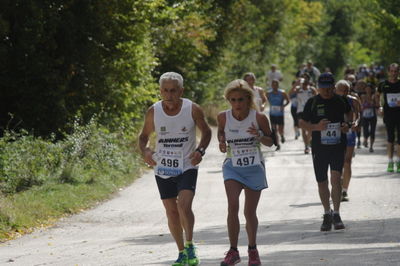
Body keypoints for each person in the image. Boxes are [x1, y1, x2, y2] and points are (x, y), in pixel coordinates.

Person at [138, 72, 212, 266]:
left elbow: (206, 131)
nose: (169, 95)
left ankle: (189, 245)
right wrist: (145, 151)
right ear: (160, 91)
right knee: (171, 212)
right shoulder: (154, 111)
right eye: (165, 90)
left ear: (181, 90)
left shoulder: (192, 109)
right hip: (163, 168)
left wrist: (200, 151)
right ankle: (180, 252)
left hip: (187, 165)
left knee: (184, 206)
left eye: (173, 90)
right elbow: (143, 136)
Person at [217, 79, 274, 266]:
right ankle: (233, 251)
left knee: (249, 212)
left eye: (240, 100)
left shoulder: (258, 118)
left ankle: (252, 250)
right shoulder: (223, 117)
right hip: (232, 166)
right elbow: (221, 133)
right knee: (232, 206)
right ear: (228, 100)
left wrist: (258, 136)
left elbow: (270, 141)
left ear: (248, 99)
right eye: (232, 100)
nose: (237, 104)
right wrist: (222, 141)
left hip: (253, 168)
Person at [299, 73, 352, 231]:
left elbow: (349, 113)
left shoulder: (340, 100)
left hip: (337, 145)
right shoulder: (312, 102)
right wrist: (316, 127)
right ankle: (326, 213)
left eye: (329, 88)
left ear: (333, 86)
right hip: (319, 148)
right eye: (323, 88)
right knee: (322, 182)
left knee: (336, 179)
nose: (327, 91)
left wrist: (347, 125)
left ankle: (336, 213)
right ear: (318, 87)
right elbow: (301, 122)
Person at [335, 80, 361, 202]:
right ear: (336, 90)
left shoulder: (353, 100)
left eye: (347, 90)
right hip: (336, 134)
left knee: (347, 161)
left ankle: (344, 190)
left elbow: (358, 115)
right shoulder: (332, 100)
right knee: (337, 162)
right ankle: (337, 186)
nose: (344, 92)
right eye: (342, 90)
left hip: (350, 132)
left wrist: (355, 123)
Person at [376, 63, 400, 172]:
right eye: (392, 71)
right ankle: (390, 162)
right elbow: (377, 96)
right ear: (388, 72)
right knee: (390, 138)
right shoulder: (383, 84)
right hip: (389, 115)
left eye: (396, 71)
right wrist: (379, 107)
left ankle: (398, 162)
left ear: (398, 72)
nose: (394, 73)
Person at [294, 73, 318, 154]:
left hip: (310, 111)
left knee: (310, 129)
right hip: (300, 111)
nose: (304, 81)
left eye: (306, 79)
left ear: (308, 80)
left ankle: (308, 142)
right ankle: (306, 146)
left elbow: (318, 98)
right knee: (303, 130)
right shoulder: (298, 89)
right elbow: (290, 93)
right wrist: (297, 84)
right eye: (303, 79)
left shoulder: (312, 89)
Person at [266, 79, 290, 150]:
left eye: (276, 84)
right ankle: (278, 144)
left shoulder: (282, 93)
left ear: (278, 85)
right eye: (273, 84)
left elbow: (288, 101)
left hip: (280, 114)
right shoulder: (268, 93)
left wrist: (283, 106)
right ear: (271, 85)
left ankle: (282, 135)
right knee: (274, 129)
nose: (275, 86)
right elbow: (264, 100)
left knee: (280, 129)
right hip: (272, 113)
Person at [361, 83, 378, 152]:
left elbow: (377, 105)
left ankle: (371, 146)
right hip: (365, 116)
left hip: (373, 116)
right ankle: (365, 140)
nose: (368, 90)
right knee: (365, 130)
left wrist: (372, 103)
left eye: (369, 89)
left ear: (372, 90)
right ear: (365, 89)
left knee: (372, 131)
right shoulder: (363, 96)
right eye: (367, 88)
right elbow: (361, 106)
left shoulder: (374, 96)